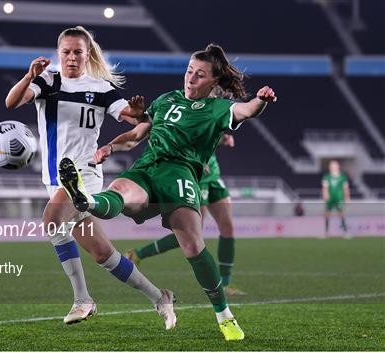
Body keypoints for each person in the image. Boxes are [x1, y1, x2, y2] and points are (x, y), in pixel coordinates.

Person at [58, 43, 277, 341]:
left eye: (200, 75)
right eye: (189, 71)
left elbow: (248, 109)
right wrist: (109, 146)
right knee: (120, 190)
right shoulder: (164, 100)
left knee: (192, 246)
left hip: (180, 175)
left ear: (214, 81)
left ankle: (224, 316)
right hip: (148, 168)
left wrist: (262, 100)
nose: (190, 78)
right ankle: (86, 199)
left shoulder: (218, 108)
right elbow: (135, 135)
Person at [6, 26, 175, 328]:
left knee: (52, 222)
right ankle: (159, 296)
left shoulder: (100, 88)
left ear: (87, 54)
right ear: (59, 54)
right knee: (102, 254)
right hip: (55, 180)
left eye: (77, 52)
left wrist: (138, 112)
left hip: (84, 173)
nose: (71, 58)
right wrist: (30, 75)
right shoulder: (48, 82)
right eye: (66, 52)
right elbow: (12, 102)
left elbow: (138, 119)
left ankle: (83, 300)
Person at [124, 134, 245, 296]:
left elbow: (211, 129)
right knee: (192, 232)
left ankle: (226, 283)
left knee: (228, 227)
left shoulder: (211, 110)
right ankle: (138, 253)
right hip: (196, 173)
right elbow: (184, 134)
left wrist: (221, 138)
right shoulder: (183, 112)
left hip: (213, 175)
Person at [322, 160, 350, 237]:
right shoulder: (327, 177)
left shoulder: (342, 177)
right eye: (331, 166)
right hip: (330, 198)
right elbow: (325, 187)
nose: (333, 167)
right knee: (327, 214)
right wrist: (325, 194)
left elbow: (346, 188)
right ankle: (326, 232)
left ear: (338, 167)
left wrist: (347, 197)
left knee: (341, 213)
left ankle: (345, 232)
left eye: (334, 166)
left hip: (339, 198)